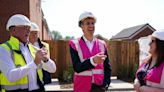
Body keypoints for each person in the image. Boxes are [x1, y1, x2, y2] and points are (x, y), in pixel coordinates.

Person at [0, 14, 56, 92]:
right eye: (25, 27)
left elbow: (53, 69)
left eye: (29, 28)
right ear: (13, 30)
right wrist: (34, 63)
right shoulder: (3, 49)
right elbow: (11, 76)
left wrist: (46, 60)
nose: (29, 31)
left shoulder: (33, 49)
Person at [69, 11, 112, 92]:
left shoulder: (102, 44)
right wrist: (93, 61)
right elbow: (77, 67)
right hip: (81, 87)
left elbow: (107, 67)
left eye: (93, 23)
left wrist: (106, 84)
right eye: (88, 23)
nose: (91, 26)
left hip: (99, 87)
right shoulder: (74, 44)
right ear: (81, 26)